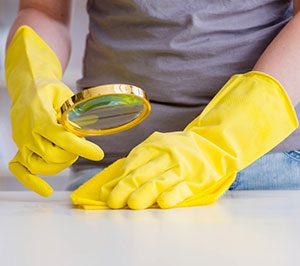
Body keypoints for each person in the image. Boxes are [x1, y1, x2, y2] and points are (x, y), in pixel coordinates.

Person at [5, 0, 300, 209]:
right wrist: (33, 80)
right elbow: (43, 11)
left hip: (264, 166)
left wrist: (220, 142)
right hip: (115, 169)